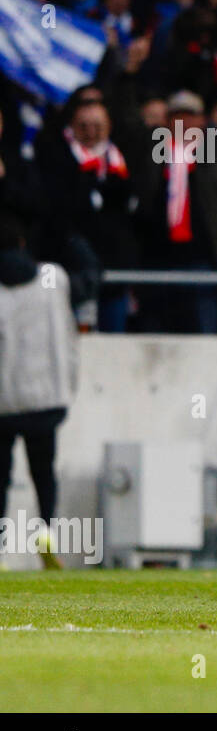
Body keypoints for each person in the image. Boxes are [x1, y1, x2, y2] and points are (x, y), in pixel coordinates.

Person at [0, 213, 77, 569]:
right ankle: (45, 529)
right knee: (43, 472)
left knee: (2, 477)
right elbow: (67, 333)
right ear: (21, 243)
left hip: (3, 401)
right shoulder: (53, 278)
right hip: (44, 397)